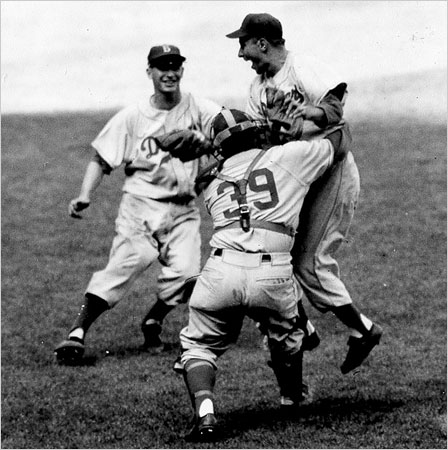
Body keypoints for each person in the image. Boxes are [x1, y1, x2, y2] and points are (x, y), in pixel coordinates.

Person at [170, 108, 351, 441]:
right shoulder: (288, 157)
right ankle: (291, 396)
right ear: (256, 134)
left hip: (220, 269)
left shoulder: (211, 181)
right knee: (287, 339)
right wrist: (326, 112)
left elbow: (212, 173)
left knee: (198, 345)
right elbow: (339, 142)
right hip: (272, 271)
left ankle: (206, 413)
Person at [226, 13, 382, 375]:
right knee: (273, 255)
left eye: (243, 44)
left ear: (262, 42)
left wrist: (304, 113)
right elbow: (262, 137)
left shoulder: (301, 67)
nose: (241, 54)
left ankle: (365, 330)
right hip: (297, 177)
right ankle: (305, 329)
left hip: (331, 172)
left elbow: (334, 109)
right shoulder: (256, 87)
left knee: (309, 265)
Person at [54, 44, 221, 365]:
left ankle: (153, 319)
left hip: (183, 209)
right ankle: (76, 333)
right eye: (162, 67)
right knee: (126, 265)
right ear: (150, 73)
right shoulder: (133, 116)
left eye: (175, 65)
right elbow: (101, 159)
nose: (169, 72)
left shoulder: (199, 108)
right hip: (140, 207)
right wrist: (85, 194)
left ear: (182, 70)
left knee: (188, 276)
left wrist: (209, 143)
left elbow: (227, 126)